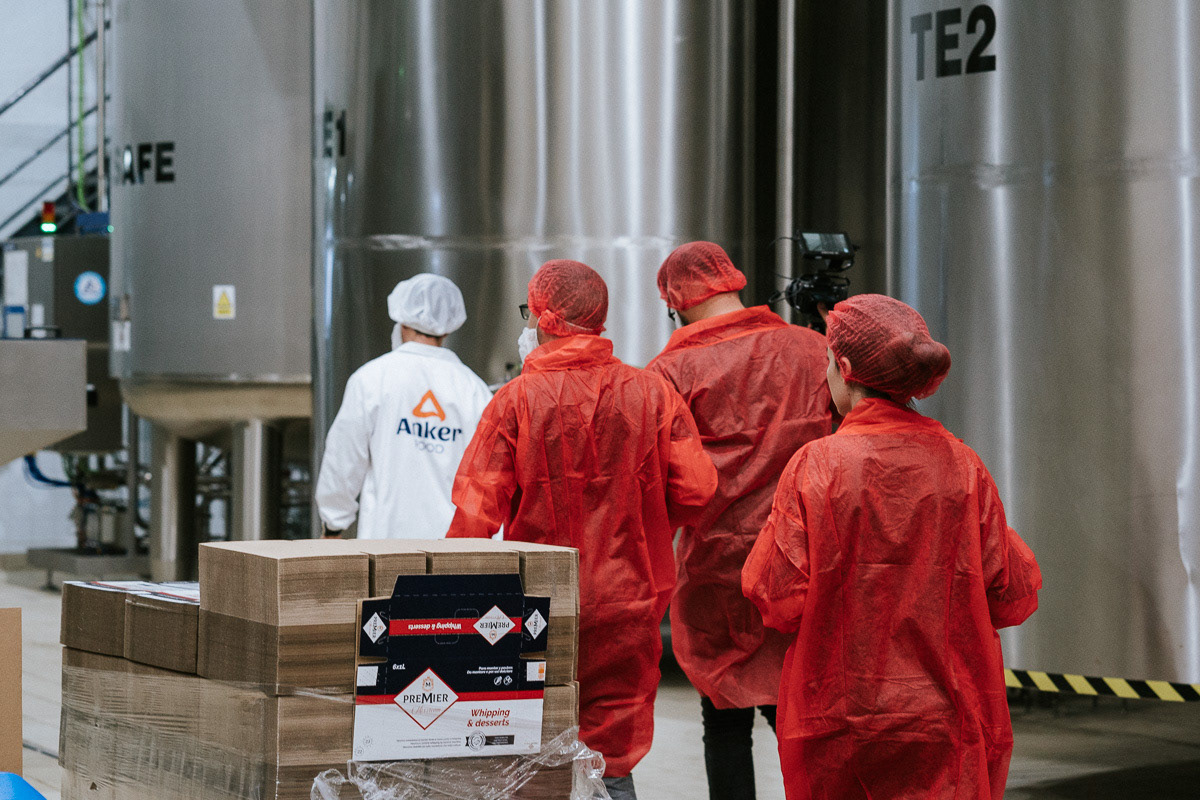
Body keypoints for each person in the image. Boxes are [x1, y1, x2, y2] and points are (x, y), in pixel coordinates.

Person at [742, 294, 1042, 800]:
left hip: (843, 719)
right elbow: (1012, 593)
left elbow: (775, 595)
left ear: (844, 368)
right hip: (947, 719)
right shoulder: (962, 465)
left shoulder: (817, 466)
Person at [446, 259, 718, 800]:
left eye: (529, 313)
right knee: (609, 756)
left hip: (534, 606)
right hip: (629, 598)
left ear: (546, 319)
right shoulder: (653, 393)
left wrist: (452, 606)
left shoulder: (515, 401)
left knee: (530, 749)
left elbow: (475, 515)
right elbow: (697, 489)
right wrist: (640, 518)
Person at [645, 241, 833, 800]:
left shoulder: (670, 371)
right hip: (802, 562)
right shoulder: (812, 348)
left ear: (676, 302)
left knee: (724, 718)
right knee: (799, 715)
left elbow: (665, 481)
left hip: (717, 570)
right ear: (732, 281)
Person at [316, 273, 492, 539]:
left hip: (385, 547)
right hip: (454, 549)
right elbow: (487, 479)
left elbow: (342, 461)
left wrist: (333, 524)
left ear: (402, 321)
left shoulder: (371, 379)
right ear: (447, 329)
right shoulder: (474, 389)